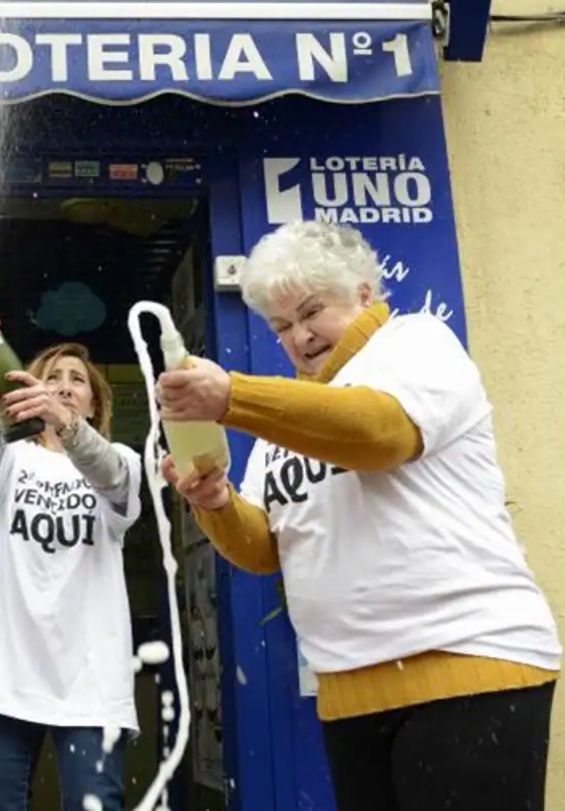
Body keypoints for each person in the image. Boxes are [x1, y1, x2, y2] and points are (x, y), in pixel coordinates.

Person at [155, 221, 560, 811]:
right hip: (349, 691)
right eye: (281, 326)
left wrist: (233, 398)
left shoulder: (417, 342)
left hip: (469, 666)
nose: (299, 337)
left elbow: (381, 434)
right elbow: (265, 551)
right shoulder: (288, 420)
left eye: (312, 311)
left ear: (365, 294)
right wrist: (215, 503)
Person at [0, 289, 144, 811]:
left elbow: (110, 473)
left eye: (76, 381)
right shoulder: (9, 461)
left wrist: (65, 423)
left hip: (91, 680)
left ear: (96, 403)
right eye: (50, 377)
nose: (62, 387)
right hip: (1, 674)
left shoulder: (119, 460)